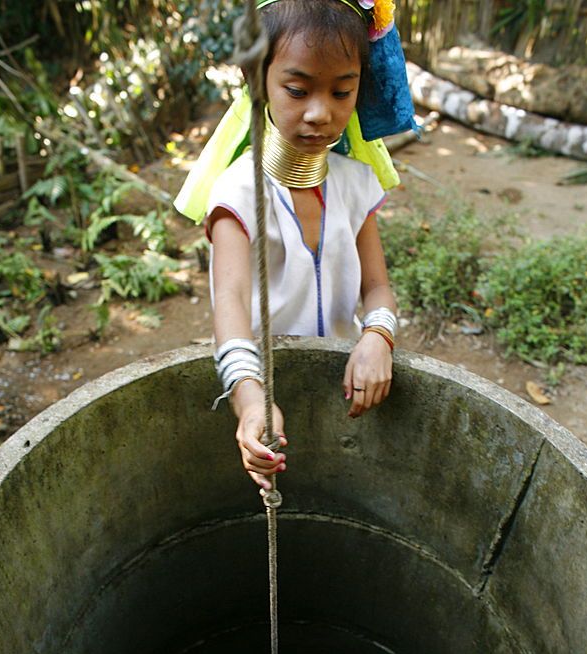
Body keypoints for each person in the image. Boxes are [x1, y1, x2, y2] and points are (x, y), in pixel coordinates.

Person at [175, 0, 417, 490]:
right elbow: (232, 306)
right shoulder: (238, 195)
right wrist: (248, 401)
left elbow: (378, 288)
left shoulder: (355, 184)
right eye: (297, 89)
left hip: (342, 386)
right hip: (263, 389)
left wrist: (377, 337)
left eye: (342, 91)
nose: (320, 112)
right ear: (257, 80)